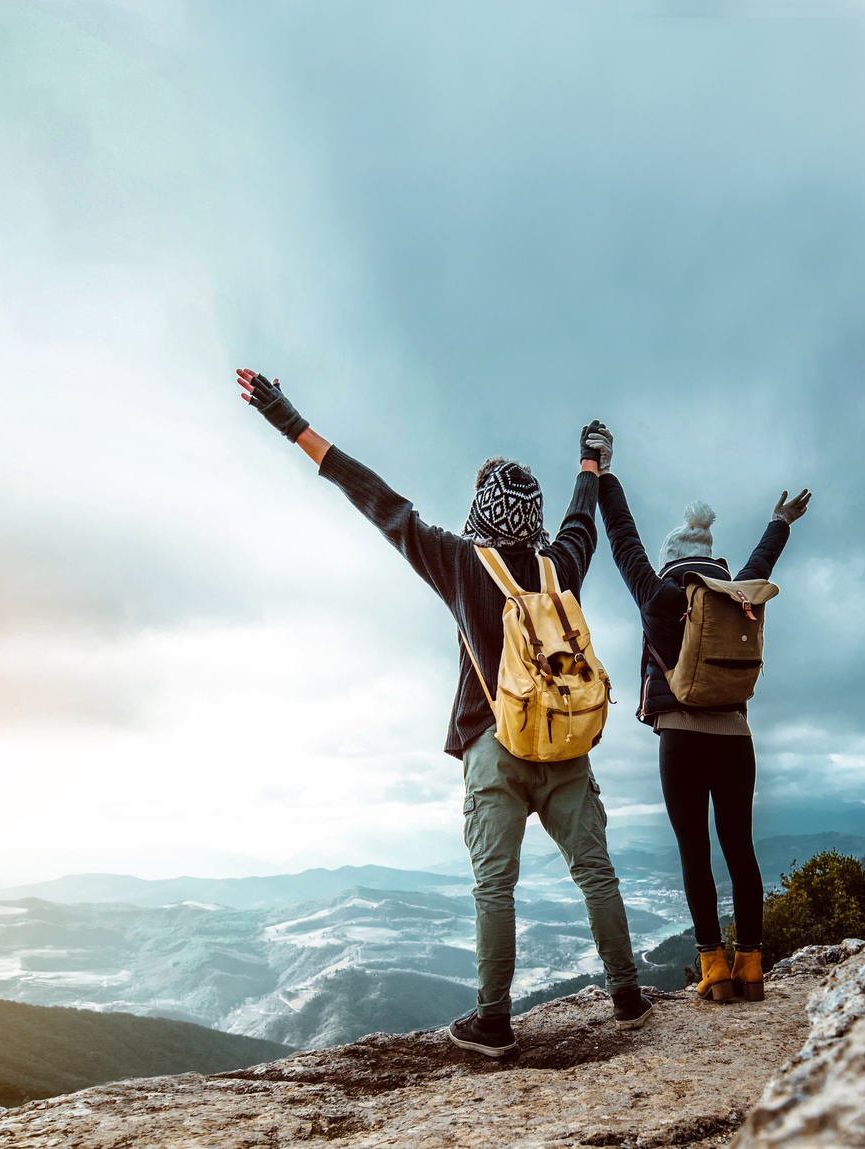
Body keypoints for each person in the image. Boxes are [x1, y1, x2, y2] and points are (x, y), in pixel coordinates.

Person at [233, 367, 650, 1057]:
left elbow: (377, 501)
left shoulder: (459, 562)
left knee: (495, 887)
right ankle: (629, 995)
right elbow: (583, 520)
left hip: (494, 747)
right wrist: (590, 462)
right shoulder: (559, 565)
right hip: (565, 742)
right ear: (533, 519)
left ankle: (493, 1021)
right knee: (595, 868)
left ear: (482, 512)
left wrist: (289, 420)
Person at [584, 422, 810, 1003]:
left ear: (669, 562)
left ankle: (713, 968)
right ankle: (753, 963)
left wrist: (605, 474)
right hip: (736, 737)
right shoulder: (737, 593)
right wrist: (779, 523)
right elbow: (761, 561)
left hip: (680, 738)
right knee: (740, 847)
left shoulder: (658, 593)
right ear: (712, 561)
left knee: (694, 852)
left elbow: (623, 537)